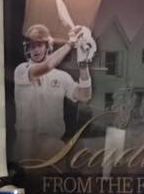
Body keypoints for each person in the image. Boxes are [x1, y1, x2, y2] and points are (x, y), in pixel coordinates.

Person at [13, 21, 94, 163]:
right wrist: (70, 44)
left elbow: (85, 95)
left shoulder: (61, 76)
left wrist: (83, 63)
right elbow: (47, 66)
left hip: (51, 144)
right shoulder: (21, 70)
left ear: (47, 46)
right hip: (25, 143)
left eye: (39, 45)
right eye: (32, 46)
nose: (35, 49)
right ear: (27, 48)